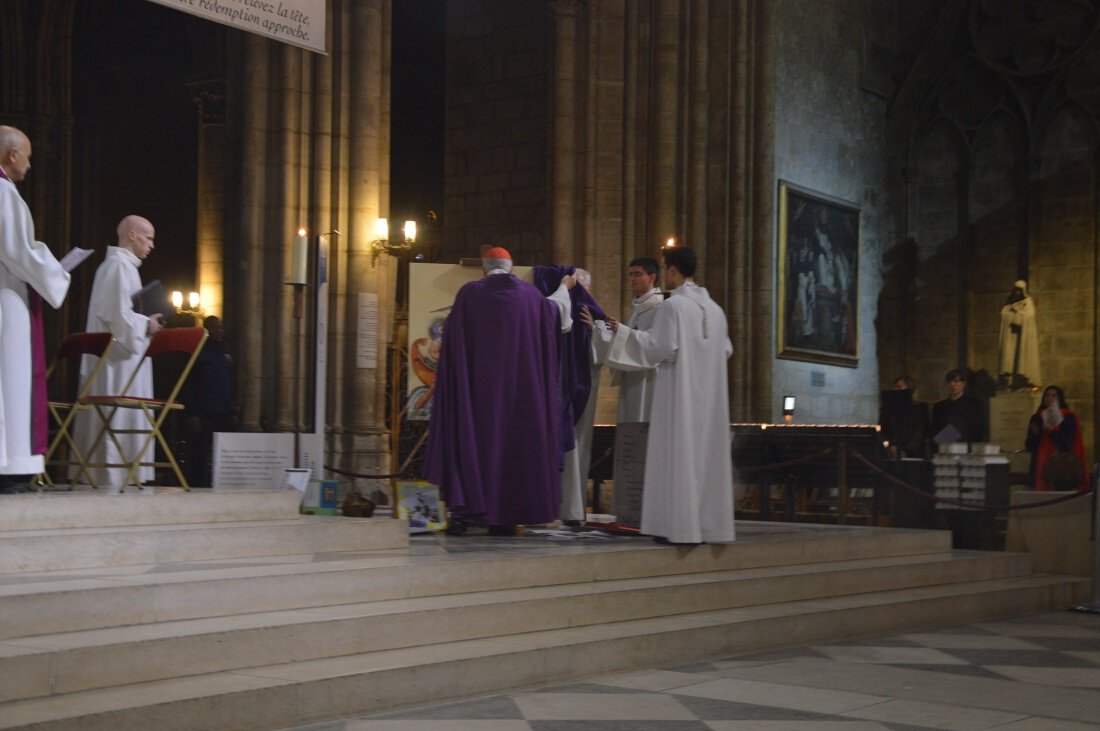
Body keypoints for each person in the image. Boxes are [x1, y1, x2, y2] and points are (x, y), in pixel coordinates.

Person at [424, 246, 574, 535]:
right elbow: (557, 316)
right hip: (521, 398)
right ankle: (506, 517)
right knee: (512, 449)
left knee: (475, 445)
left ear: (483, 269)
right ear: (512, 268)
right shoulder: (531, 297)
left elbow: (453, 345)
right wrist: (564, 288)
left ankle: (466, 513)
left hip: (477, 397)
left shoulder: (469, 294)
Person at [603, 246, 735, 545]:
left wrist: (622, 335)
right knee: (702, 460)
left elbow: (658, 348)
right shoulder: (715, 310)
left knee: (677, 456)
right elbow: (726, 350)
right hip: (709, 401)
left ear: (671, 270)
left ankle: (679, 529)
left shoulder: (673, 307)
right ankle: (705, 527)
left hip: (680, 395)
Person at [0, 126, 72, 494]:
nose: (30, 163)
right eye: (27, 155)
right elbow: (19, 251)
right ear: (12, 155)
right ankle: (10, 467)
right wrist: (57, 272)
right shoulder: (4, 193)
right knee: (11, 383)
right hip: (6, 302)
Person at [72, 215, 164, 491]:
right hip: (116, 361)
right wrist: (147, 323)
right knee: (115, 413)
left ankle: (119, 473)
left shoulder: (122, 267)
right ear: (132, 235)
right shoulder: (119, 267)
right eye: (148, 238)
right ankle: (112, 475)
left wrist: (143, 322)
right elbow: (117, 315)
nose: (152, 245)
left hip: (122, 356)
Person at [534, 266, 607, 525]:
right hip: (556, 393)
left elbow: (607, 351)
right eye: (580, 290)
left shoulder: (591, 316)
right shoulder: (555, 309)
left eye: (586, 291)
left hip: (582, 392)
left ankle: (573, 509)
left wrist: (594, 331)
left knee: (578, 449)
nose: (584, 296)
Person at [588, 257, 664, 423]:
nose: (632, 279)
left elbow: (656, 344)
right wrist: (599, 329)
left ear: (652, 277)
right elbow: (626, 343)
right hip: (632, 378)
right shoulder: (637, 308)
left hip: (650, 380)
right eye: (630, 274)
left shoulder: (662, 307)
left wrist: (622, 331)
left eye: (638, 274)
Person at [182, 315, 236, 487]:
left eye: (220, 328)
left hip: (224, 413)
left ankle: (220, 484)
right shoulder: (197, 353)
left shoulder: (226, 354)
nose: (218, 331)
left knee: (222, 454)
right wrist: (192, 414)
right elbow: (189, 385)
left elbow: (230, 383)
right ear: (206, 330)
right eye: (214, 328)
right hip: (204, 415)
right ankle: (196, 486)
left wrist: (232, 409)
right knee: (200, 454)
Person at [1025, 385, 1089, 492]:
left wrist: (1051, 432)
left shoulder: (1068, 418)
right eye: (1047, 395)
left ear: (1059, 399)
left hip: (1061, 468)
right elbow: (1029, 446)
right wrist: (1035, 435)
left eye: (1054, 395)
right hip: (1039, 465)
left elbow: (1067, 444)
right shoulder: (1037, 417)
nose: (1049, 398)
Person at [998, 280, 1040, 390]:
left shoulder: (1028, 302)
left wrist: (1019, 313)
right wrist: (1012, 314)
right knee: (1010, 360)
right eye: (1015, 290)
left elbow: (1029, 315)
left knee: (1022, 358)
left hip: (1023, 337)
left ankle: (1022, 381)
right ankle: (1010, 381)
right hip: (1011, 338)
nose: (1017, 293)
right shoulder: (1008, 303)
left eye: (1019, 290)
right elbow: (1004, 315)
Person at [929, 368, 986, 450]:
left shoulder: (975, 404)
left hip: (966, 448)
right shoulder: (939, 406)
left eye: (956, 381)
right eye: (950, 382)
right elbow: (934, 429)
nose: (953, 384)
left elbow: (977, 429)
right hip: (944, 449)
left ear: (963, 383)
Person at [879, 375, 928, 459]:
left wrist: (907, 449)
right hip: (891, 452)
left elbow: (920, 431)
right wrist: (890, 445)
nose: (895, 390)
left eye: (899, 387)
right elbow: (882, 429)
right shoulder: (888, 410)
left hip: (912, 454)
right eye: (895, 387)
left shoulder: (919, 409)